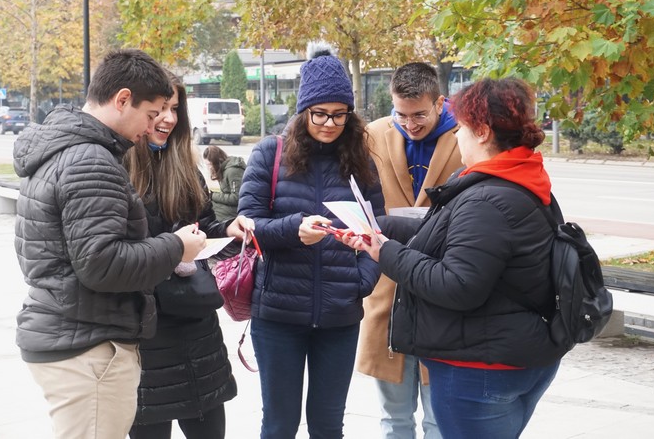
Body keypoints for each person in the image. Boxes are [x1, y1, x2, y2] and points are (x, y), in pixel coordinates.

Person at [343, 77, 563, 439]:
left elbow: (458, 284)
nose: (455, 135)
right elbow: (456, 240)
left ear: (482, 132)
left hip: (478, 366)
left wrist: (385, 252)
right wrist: (384, 229)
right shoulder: (518, 179)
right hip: (514, 352)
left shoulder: (487, 199)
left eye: (460, 126)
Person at [13, 48, 207, 439]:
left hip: (70, 335)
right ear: (122, 100)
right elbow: (102, 264)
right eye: (151, 114)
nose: (154, 125)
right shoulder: (91, 160)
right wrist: (175, 247)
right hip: (89, 349)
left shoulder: (66, 150)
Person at [237, 42, 386, 439]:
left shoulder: (360, 161)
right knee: (280, 424)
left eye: (340, 115)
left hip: (339, 315)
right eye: (319, 113)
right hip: (278, 316)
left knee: (327, 425)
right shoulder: (271, 153)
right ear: (304, 111)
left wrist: (362, 282)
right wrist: (293, 229)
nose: (329, 123)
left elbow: (377, 229)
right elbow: (248, 224)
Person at [124, 79, 252, 439]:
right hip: (147, 332)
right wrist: (173, 247)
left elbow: (205, 226)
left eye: (175, 108)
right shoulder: (118, 169)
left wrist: (229, 230)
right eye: (159, 109)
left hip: (198, 328)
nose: (167, 118)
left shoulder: (185, 167)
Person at [357, 62, 461, 439]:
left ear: (439, 103)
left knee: (440, 421)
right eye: (400, 114)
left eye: (419, 114)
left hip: (442, 290)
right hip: (389, 290)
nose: (409, 123)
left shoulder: (465, 138)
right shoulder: (373, 134)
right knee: (394, 419)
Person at [203, 145, 246, 222]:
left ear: (217, 162)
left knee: (213, 214)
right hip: (231, 206)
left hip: (239, 208)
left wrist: (212, 195)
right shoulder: (224, 169)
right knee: (207, 207)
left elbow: (237, 198)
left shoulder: (233, 171)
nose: (208, 168)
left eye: (209, 164)